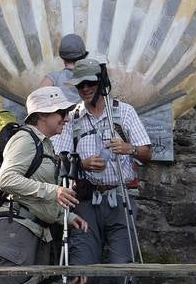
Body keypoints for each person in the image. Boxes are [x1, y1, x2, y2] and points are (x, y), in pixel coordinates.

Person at [0, 86, 88, 284]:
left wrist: (65, 217)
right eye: (61, 113)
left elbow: (35, 196)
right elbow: (6, 179)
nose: (66, 118)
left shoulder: (45, 145)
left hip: (34, 231)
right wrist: (55, 191)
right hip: (17, 233)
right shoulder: (25, 139)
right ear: (42, 114)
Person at [55, 58, 152, 265]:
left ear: (101, 82)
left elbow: (147, 153)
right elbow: (58, 160)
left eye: (90, 83)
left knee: (122, 264)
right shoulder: (72, 117)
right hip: (85, 199)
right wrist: (82, 164)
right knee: (82, 263)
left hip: (120, 195)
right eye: (80, 85)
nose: (86, 88)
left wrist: (129, 149)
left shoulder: (124, 112)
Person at [39, 33, 88, 103]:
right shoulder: (92, 79)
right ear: (83, 57)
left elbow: (35, 101)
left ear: (62, 57)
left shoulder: (53, 77)